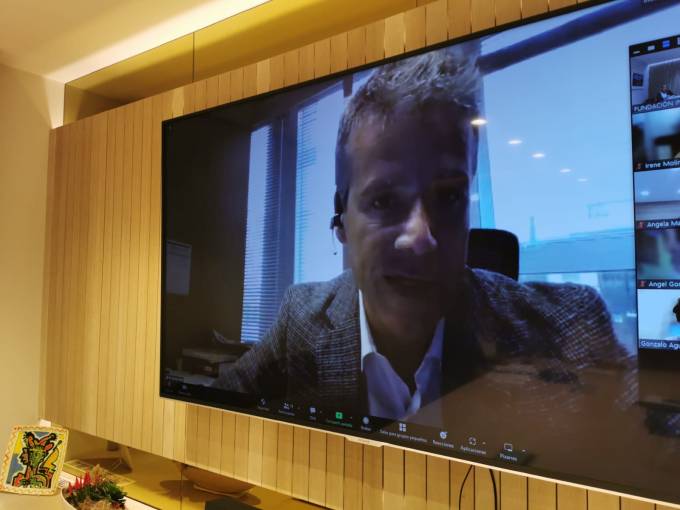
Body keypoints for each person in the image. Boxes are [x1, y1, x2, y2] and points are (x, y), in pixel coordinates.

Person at [213, 44, 630, 422]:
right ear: (341, 221)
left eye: (448, 196)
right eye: (384, 200)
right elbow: (214, 408)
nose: (420, 238)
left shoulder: (570, 327)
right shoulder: (301, 319)